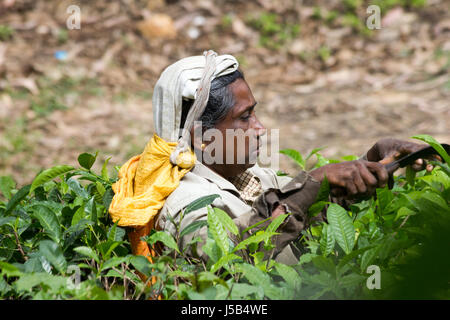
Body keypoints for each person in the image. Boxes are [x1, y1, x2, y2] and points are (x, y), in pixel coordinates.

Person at [150, 53, 433, 265]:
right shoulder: (185, 202)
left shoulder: (252, 178)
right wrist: (311, 184)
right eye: (245, 117)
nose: (260, 128)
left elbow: (315, 203)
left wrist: (372, 159)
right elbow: (227, 261)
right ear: (202, 137)